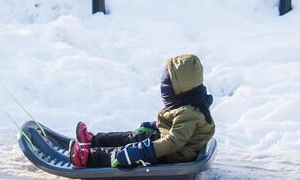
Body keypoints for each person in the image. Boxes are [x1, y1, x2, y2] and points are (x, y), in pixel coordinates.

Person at [69, 54, 214, 168]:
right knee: (133, 136)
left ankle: (87, 158)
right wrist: (155, 125)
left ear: (178, 90)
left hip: (170, 155)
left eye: (166, 86)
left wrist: (142, 151)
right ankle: (93, 140)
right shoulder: (189, 104)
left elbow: (174, 142)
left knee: (130, 151)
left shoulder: (190, 113)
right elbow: (176, 127)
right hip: (167, 144)